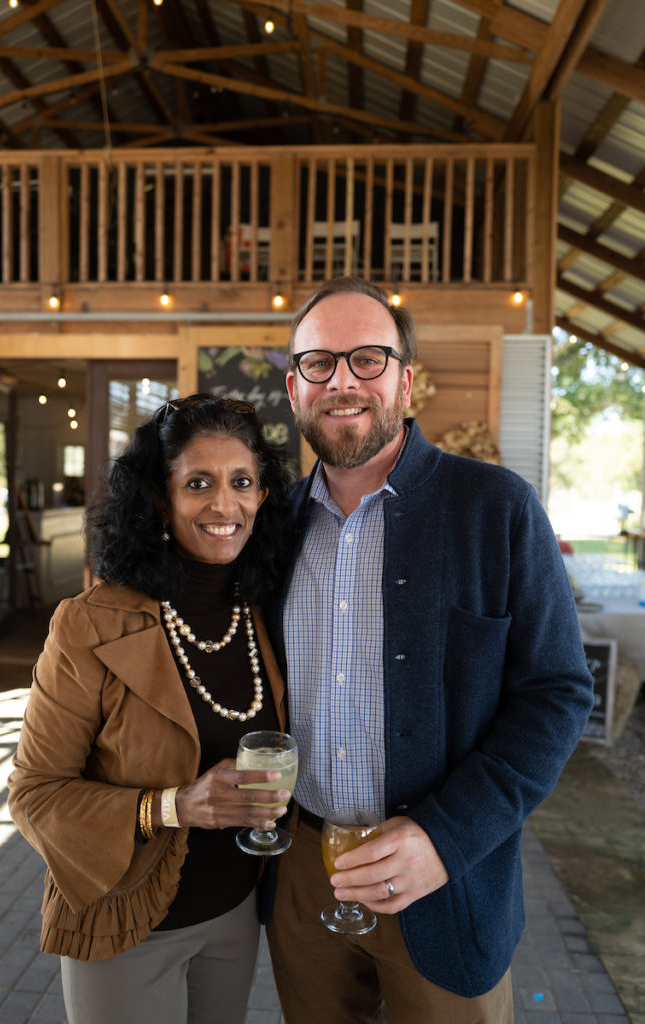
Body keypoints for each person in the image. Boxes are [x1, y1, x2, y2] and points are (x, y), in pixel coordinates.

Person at [265, 278, 594, 1022]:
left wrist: (446, 839)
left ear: (406, 382)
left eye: (368, 359)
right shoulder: (272, 526)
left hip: (449, 874)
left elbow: (557, 693)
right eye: (319, 363)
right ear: (294, 388)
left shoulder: (496, 509)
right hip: (304, 871)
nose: (343, 380)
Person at [8, 394, 293, 1024]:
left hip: (235, 916)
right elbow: (32, 794)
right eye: (198, 483)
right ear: (160, 501)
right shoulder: (89, 624)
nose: (225, 505)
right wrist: (171, 806)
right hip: (125, 922)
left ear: (264, 495)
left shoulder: (266, 611)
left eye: (242, 482)